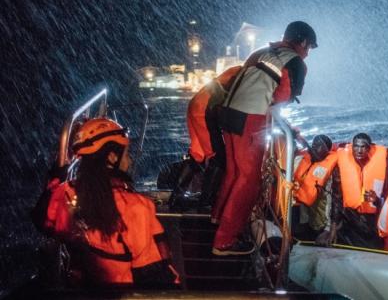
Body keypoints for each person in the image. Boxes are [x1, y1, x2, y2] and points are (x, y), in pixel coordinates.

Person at [211, 21, 316, 255]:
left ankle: (218, 219)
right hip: (250, 118)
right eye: (308, 47)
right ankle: (224, 241)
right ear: (301, 43)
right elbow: (284, 95)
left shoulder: (260, 52)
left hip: (228, 113)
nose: (307, 53)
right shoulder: (295, 61)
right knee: (250, 181)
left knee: (234, 173)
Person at [35, 118, 179, 287]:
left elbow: (42, 218)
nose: (130, 160)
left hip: (81, 289)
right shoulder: (137, 207)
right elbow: (156, 274)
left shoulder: (64, 193)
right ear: (111, 157)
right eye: (126, 154)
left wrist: (58, 174)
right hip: (123, 293)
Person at [174, 65, 243, 212]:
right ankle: (206, 203)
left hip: (197, 104)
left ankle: (176, 197)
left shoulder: (240, 70)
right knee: (219, 157)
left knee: (197, 156)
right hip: (205, 109)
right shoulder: (248, 75)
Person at [320, 133, 388, 249]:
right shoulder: (342, 165)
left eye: (363, 147)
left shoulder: (385, 165)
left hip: (372, 222)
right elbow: (336, 198)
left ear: (369, 148)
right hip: (350, 219)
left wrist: (377, 200)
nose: (359, 150)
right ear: (352, 146)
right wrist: (332, 229)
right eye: (356, 146)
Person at [293, 135, 338, 237]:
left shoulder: (331, 171)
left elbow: (332, 201)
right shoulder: (302, 160)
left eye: (319, 145)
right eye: (313, 143)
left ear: (327, 150)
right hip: (302, 214)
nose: (314, 146)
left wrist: (328, 229)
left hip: (321, 220)